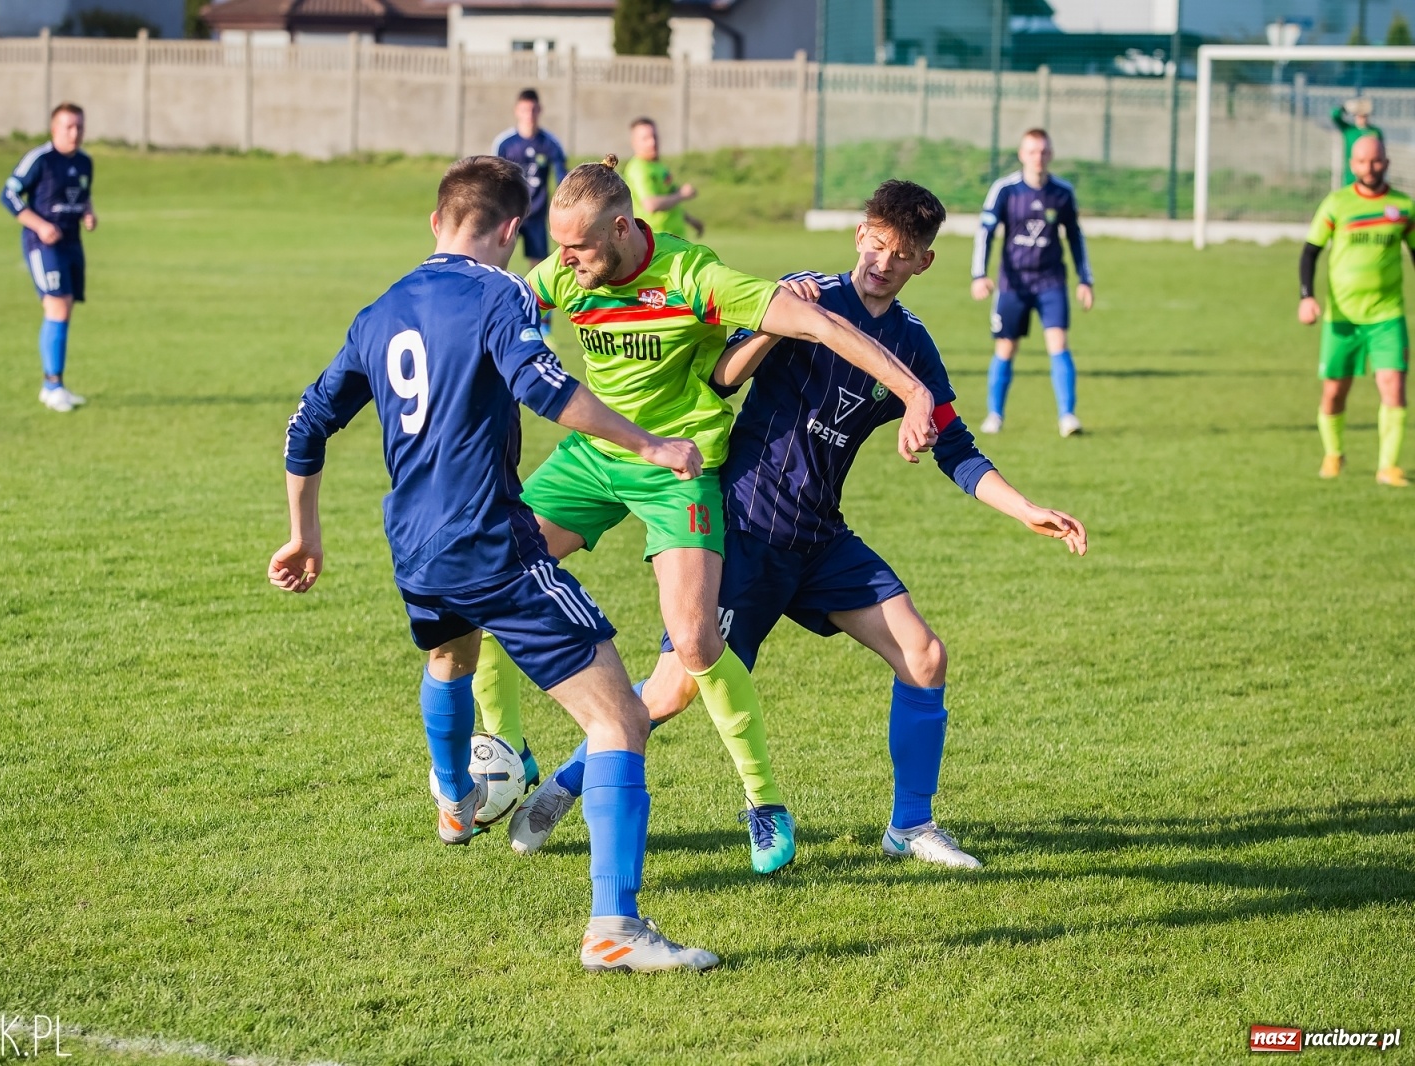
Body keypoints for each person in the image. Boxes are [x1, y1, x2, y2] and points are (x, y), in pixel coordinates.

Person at [510, 180, 1088, 869]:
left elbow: (954, 446)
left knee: (924, 656)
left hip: (818, 538)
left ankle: (911, 825)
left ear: (923, 263)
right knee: (670, 690)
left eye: (901, 255)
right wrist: (766, 329)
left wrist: (1025, 508)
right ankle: (565, 785)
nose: (882, 263)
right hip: (746, 530)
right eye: (876, 245)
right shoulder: (810, 299)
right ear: (860, 236)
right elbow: (720, 379)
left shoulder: (912, 344)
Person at [270, 155, 719, 973]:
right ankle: (614, 927)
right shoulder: (501, 294)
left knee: (452, 655)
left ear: (436, 221)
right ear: (513, 230)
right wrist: (651, 443)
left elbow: (306, 425)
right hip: (488, 543)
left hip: (414, 546)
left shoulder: (379, 311)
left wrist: (304, 536)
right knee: (618, 721)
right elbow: (543, 388)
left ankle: (454, 799)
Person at [473, 156, 939, 876]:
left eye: (577, 247)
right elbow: (487, 310)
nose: (562, 262)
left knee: (693, 643)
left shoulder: (695, 276)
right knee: (489, 575)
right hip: (594, 455)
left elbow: (816, 322)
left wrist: (912, 392)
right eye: (557, 247)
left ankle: (764, 802)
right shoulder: (565, 271)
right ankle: (507, 751)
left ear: (622, 228)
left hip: (678, 466)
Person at [1299, 135, 1410, 487]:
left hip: (1387, 315)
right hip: (1342, 317)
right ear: (1352, 165)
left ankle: (1388, 466)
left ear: (1386, 162)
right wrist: (1306, 296)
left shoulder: (1403, 207)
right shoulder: (1337, 204)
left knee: (1393, 387)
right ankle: (1334, 453)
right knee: (1334, 392)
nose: (1369, 168)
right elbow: (1310, 251)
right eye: (1362, 161)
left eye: (1375, 161)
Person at [972, 128, 1093, 438]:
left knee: (1059, 343)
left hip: (1051, 281)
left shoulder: (1062, 192)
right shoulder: (1005, 190)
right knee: (1006, 347)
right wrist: (979, 274)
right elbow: (985, 233)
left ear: (1050, 154)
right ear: (1021, 155)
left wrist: (1085, 280)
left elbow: (1075, 238)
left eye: (1043, 151)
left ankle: (1068, 417)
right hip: (1013, 284)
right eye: (1032, 151)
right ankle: (995, 415)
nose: (1038, 157)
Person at [1, 103, 94, 414]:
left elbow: (83, 194)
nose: (75, 133)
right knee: (56, 307)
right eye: (69, 127)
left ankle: (51, 385)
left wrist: (89, 212)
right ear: (54, 129)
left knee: (64, 308)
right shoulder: (40, 159)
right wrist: (40, 225)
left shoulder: (85, 162)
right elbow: (9, 194)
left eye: (79, 126)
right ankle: (53, 386)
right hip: (42, 245)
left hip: (72, 242)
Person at [490, 88, 567, 270]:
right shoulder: (505, 143)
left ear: (540, 110)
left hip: (536, 213)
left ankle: (533, 290)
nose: (529, 115)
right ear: (517, 111)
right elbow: (494, 180)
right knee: (496, 258)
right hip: (509, 212)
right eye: (525, 110)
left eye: (533, 110)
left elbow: (562, 180)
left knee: (538, 264)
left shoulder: (550, 143)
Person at [624, 117, 703, 240]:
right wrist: (682, 195)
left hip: (674, 237)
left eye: (654, 136)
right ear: (634, 143)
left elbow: (670, 198)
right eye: (645, 138)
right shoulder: (639, 169)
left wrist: (691, 220)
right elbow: (651, 204)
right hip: (657, 239)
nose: (652, 142)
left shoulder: (658, 165)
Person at [1332, 98, 1383, 182]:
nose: (1361, 118)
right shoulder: (1349, 130)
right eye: (1358, 115)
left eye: (1364, 115)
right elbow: (1334, 115)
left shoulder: (1375, 131)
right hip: (1351, 174)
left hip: (1370, 173)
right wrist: (1344, 107)